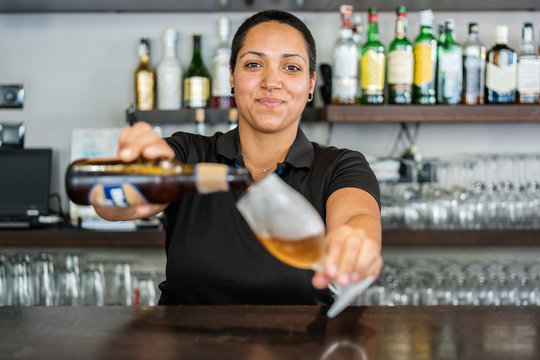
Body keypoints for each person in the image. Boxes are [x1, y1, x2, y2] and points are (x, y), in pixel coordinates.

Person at [94, 10, 382, 305]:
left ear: (310, 84)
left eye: (291, 67)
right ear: (231, 76)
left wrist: (355, 242)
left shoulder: (340, 166)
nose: (272, 81)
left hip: (302, 346)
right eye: (254, 64)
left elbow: (357, 218)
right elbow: (112, 204)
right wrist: (129, 174)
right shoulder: (187, 153)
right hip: (187, 347)